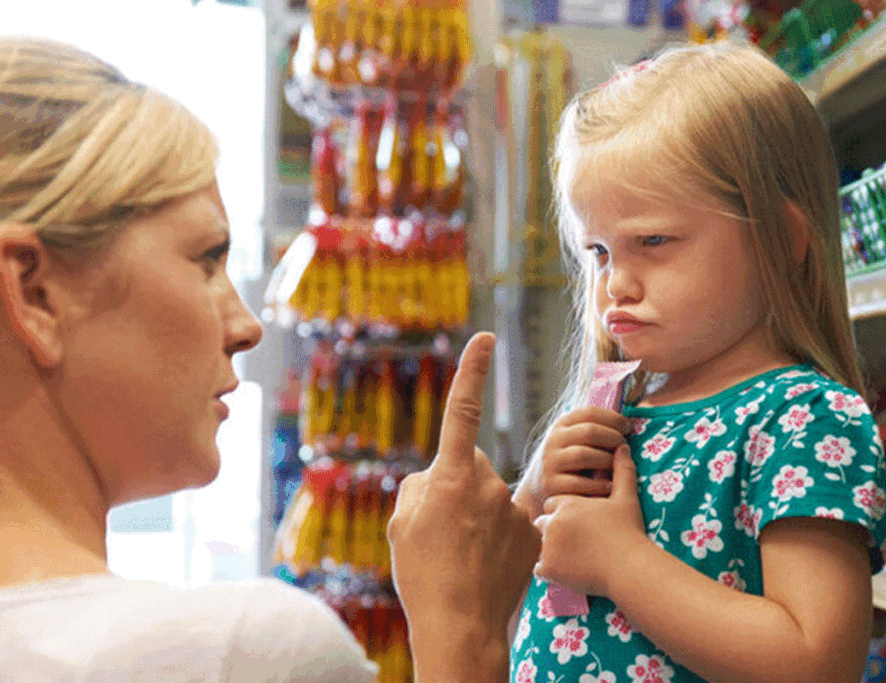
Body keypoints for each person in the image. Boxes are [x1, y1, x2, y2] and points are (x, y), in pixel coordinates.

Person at [0, 37, 538, 683]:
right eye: (204, 259)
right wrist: (464, 627)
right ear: (35, 292)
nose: (246, 325)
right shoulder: (235, 651)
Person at [509, 43, 886, 683]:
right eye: (599, 251)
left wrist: (619, 561)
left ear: (782, 240)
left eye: (653, 242)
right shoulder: (623, 411)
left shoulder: (803, 418)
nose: (615, 285)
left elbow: (816, 662)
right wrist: (533, 496)